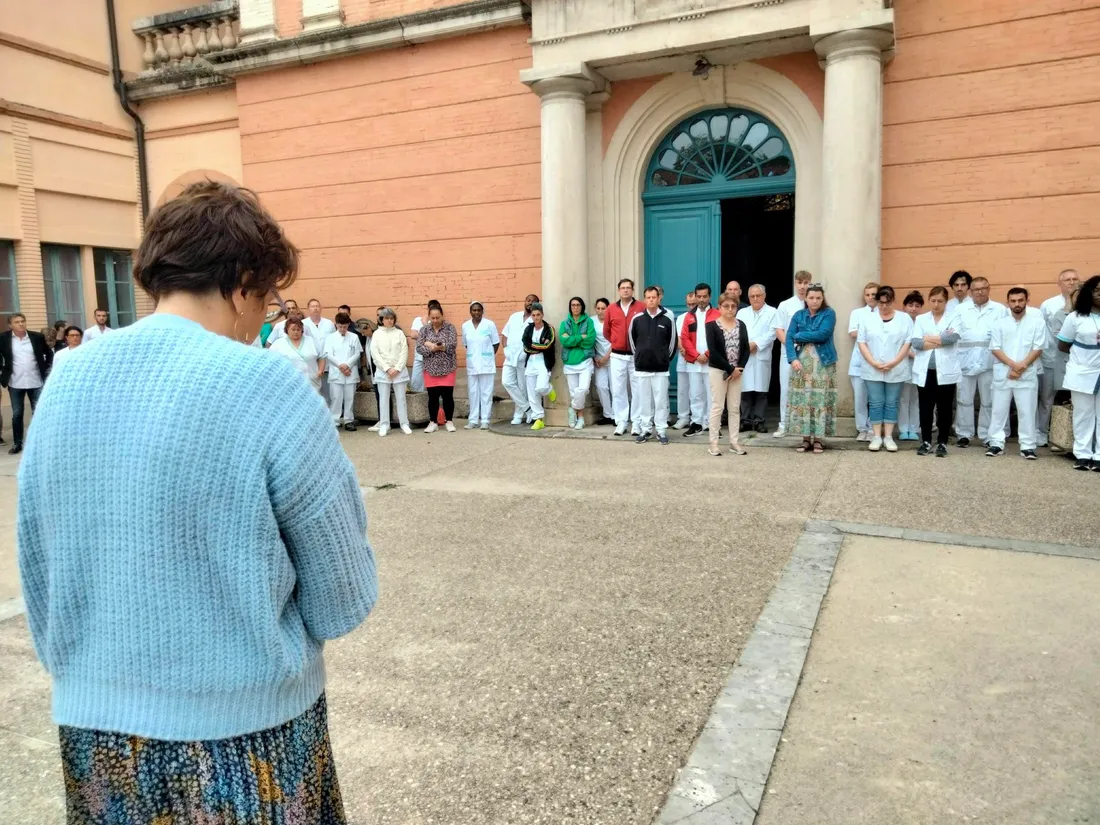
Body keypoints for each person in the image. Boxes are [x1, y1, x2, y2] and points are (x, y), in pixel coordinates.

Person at [16, 181, 376, 823]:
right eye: (264, 299)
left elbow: (39, 564)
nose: (261, 319)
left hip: (97, 733)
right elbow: (341, 595)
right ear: (242, 283)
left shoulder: (67, 379)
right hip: (249, 731)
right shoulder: (267, 384)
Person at [987, 287, 1047, 459]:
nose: (1017, 304)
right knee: (998, 411)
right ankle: (996, 443)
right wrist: (1013, 366)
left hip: (1026, 374)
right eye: (1013, 301)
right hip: (1003, 373)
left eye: (1020, 300)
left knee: (1027, 411)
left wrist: (1020, 368)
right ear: (1008, 303)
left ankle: (1028, 446)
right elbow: (995, 348)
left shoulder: (1037, 322)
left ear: (1027, 300)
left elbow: (1038, 348)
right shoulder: (999, 323)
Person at [857, 285, 914, 452]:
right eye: (880, 303)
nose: (884, 306)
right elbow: (862, 342)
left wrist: (895, 361)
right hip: (872, 368)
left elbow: (907, 342)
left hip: (896, 367)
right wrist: (873, 362)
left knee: (891, 402)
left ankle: (888, 437)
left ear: (893, 301)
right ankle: (876, 436)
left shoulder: (904, 319)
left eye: (887, 303)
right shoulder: (868, 319)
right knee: (875, 403)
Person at [909, 286, 963, 457]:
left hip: (945, 372)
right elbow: (916, 343)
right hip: (926, 372)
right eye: (933, 301)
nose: (936, 304)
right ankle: (925, 441)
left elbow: (952, 338)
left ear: (946, 302)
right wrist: (939, 341)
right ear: (929, 300)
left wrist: (928, 338)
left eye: (940, 301)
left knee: (945, 409)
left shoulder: (954, 317)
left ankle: (942, 442)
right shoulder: (921, 319)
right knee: (925, 408)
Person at [784, 283, 838, 454]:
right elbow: (788, 338)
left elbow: (823, 334)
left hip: (823, 363)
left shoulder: (829, 313)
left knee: (819, 399)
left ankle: (819, 440)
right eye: (811, 298)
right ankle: (805, 438)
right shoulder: (799, 315)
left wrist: (799, 335)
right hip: (802, 363)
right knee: (804, 400)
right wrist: (792, 359)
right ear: (805, 299)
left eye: (818, 298)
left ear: (822, 299)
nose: (814, 301)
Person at [955, 276, 1007, 448]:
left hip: (990, 361)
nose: (979, 292)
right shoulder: (960, 309)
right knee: (964, 399)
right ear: (971, 291)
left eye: (983, 288)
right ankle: (964, 434)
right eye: (976, 289)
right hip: (964, 360)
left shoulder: (999, 309)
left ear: (989, 289)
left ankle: (987, 435)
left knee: (989, 401)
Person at [1057, 274, 1100, 470]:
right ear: (1088, 293)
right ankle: (1082, 454)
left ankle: (1098, 455)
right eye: (1097, 290)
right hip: (1081, 372)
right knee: (1083, 414)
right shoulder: (1075, 317)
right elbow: (1063, 344)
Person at [1038, 269, 1080, 447]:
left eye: (1074, 279)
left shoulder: (1086, 304)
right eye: (1067, 280)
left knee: (1076, 400)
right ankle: (1041, 432)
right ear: (1059, 283)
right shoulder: (1048, 304)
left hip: (1078, 360)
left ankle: (1070, 436)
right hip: (1052, 358)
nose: (1071, 282)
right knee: (1047, 398)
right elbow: (1041, 331)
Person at [628, 286, 676, 445]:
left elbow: (672, 343)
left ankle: (661, 431)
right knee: (644, 400)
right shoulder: (637, 319)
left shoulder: (667, 319)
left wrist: (664, 360)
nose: (651, 300)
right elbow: (632, 342)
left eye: (653, 297)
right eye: (648, 297)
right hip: (642, 368)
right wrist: (640, 358)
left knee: (661, 400)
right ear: (644, 299)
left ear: (659, 298)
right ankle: (646, 429)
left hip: (661, 369)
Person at [0, 312, 52, 455]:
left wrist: (47, 370)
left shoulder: (37, 337)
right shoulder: (3, 338)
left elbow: (49, 353)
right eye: (17, 322)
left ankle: (40, 442)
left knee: (38, 412)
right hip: (15, 382)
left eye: (23, 321)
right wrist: (2, 373)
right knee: (17, 414)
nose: (21, 324)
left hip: (36, 380)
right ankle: (18, 443)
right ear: (10, 325)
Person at [705, 292, 750, 456]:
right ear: (719, 307)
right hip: (719, 370)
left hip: (737, 372)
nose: (730, 309)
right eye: (726, 306)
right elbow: (714, 351)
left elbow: (745, 348)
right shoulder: (711, 326)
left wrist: (739, 368)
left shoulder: (741, 325)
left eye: (733, 306)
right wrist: (729, 369)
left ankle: (734, 442)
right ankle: (713, 443)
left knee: (734, 407)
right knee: (718, 406)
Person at [772, 271, 811, 438]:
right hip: (788, 353)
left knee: (807, 389)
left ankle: (804, 425)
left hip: (809, 352)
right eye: (799, 282)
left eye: (806, 282)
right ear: (795, 283)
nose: (802, 286)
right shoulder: (785, 305)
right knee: (787, 388)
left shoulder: (814, 304)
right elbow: (779, 329)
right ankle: (784, 423)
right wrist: (790, 346)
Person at [736, 285, 779, 433]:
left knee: (761, 391)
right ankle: (745, 420)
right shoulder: (742, 312)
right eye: (752, 296)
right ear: (748, 298)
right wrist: (746, 345)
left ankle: (759, 420)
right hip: (745, 355)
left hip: (761, 355)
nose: (755, 299)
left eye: (758, 295)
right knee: (745, 390)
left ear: (764, 296)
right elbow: (737, 331)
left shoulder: (772, 312)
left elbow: (773, 332)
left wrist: (757, 344)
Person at [605, 279, 644, 437]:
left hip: (636, 355)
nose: (626, 290)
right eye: (623, 288)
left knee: (637, 389)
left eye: (628, 288)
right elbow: (607, 331)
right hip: (617, 355)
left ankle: (636, 422)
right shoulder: (611, 308)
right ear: (618, 290)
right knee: (618, 389)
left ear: (633, 290)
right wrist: (616, 341)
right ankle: (621, 421)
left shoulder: (641, 307)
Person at [681, 283, 720, 438]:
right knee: (695, 393)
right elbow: (684, 338)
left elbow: (719, 338)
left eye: (705, 296)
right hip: (694, 361)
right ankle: (697, 423)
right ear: (695, 297)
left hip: (711, 361)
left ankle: (712, 424)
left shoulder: (717, 314)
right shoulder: (689, 316)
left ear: (710, 296)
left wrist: (707, 354)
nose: (702, 299)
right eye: (699, 296)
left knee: (712, 394)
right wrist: (697, 355)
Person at [417, 302, 459, 433]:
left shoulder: (450, 328)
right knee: (433, 397)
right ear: (429, 317)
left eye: (438, 317)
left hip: (448, 367)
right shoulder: (424, 330)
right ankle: (433, 422)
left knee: (447, 397)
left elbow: (452, 345)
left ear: (442, 316)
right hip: (430, 368)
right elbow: (419, 347)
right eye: (433, 318)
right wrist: (432, 349)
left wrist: (433, 345)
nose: (435, 320)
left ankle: (449, 421)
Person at [370, 307, 412, 436]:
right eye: (386, 318)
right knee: (383, 399)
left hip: (398, 371)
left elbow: (404, 351)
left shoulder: (399, 333)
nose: (389, 321)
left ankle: (404, 423)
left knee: (401, 398)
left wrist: (398, 368)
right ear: (381, 320)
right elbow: (375, 353)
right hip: (384, 372)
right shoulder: (376, 334)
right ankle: (384, 424)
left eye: (391, 318)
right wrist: (387, 368)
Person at [847, 282, 879, 441]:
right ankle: (862, 429)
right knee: (860, 399)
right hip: (859, 361)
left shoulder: (884, 313)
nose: (871, 297)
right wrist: (873, 332)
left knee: (875, 398)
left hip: (878, 361)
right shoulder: (857, 313)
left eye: (874, 294)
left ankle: (874, 428)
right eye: (868, 294)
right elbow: (853, 333)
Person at [323, 312, 365, 432]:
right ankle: (335, 420)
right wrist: (341, 366)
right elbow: (329, 354)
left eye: (345, 327)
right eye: (340, 327)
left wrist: (347, 365)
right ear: (336, 325)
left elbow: (357, 353)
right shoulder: (330, 338)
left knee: (349, 397)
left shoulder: (354, 337)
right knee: (336, 397)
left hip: (350, 371)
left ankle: (348, 420)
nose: (342, 329)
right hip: (336, 371)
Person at [462, 301, 500, 430]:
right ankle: (473, 420)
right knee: (473, 392)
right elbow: (466, 344)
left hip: (486, 364)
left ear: (482, 311)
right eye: (474, 310)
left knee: (486, 392)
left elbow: (496, 343)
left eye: (479, 310)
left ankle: (485, 420)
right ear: (470, 312)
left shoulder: (489, 324)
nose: (476, 312)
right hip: (472, 363)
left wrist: (487, 356)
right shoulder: (465, 326)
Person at [560, 296, 595, 430]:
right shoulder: (565, 323)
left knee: (583, 389)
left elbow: (590, 340)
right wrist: (581, 337)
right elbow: (564, 341)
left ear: (582, 307)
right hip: (569, 362)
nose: (575, 307)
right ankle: (580, 417)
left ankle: (572, 409)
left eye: (578, 305)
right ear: (570, 307)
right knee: (574, 393)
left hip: (585, 361)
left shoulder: (588, 322)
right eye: (573, 305)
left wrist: (572, 340)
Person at [501, 294, 537, 425]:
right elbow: (504, 334)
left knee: (522, 386)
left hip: (524, 357)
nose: (530, 303)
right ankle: (527, 408)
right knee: (507, 382)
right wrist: (505, 349)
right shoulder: (514, 316)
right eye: (528, 300)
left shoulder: (536, 320)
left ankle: (518, 414)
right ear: (525, 301)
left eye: (533, 301)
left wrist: (525, 353)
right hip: (510, 356)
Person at [521, 303, 557, 430]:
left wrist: (533, 345)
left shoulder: (549, 329)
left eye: (538, 315)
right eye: (533, 315)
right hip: (530, 363)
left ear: (542, 315)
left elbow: (548, 345)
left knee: (541, 387)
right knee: (532, 393)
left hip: (543, 363)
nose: (536, 318)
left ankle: (549, 390)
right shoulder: (528, 329)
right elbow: (525, 346)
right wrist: (538, 346)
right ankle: (539, 419)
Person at [270, 315, 324, 393]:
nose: (296, 332)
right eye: (293, 329)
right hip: (288, 382)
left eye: (298, 329)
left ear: (302, 330)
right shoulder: (278, 344)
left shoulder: (311, 341)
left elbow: (322, 356)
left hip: (311, 381)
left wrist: (320, 371)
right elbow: (271, 361)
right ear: (287, 329)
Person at [898, 290, 925, 441]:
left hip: (920, 366)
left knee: (916, 399)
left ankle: (914, 428)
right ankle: (903, 429)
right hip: (904, 363)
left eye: (917, 305)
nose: (913, 308)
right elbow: (900, 344)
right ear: (904, 307)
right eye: (910, 305)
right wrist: (912, 355)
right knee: (903, 399)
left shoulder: (923, 322)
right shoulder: (900, 322)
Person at [672, 290, 698, 430]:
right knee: (682, 390)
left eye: (693, 303)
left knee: (697, 391)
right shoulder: (682, 317)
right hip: (683, 358)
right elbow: (678, 336)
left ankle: (698, 419)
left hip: (698, 359)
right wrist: (682, 349)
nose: (691, 306)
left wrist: (692, 352)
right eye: (689, 304)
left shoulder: (701, 316)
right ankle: (683, 417)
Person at [591, 298, 614, 425]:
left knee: (615, 388)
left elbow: (616, 340)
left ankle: (618, 415)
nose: (600, 311)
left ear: (608, 308)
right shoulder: (591, 320)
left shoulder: (613, 319)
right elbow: (589, 340)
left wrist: (606, 357)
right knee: (601, 386)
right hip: (598, 360)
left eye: (603, 308)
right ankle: (608, 414)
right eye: (598, 308)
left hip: (613, 357)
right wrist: (595, 357)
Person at [408, 300, 437, 394]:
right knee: (416, 384)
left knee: (433, 385)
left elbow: (436, 338)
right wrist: (427, 337)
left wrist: (425, 325)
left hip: (434, 358)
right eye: (431, 307)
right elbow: (413, 335)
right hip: (419, 357)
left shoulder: (438, 321)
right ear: (428, 308)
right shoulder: (418, 320)